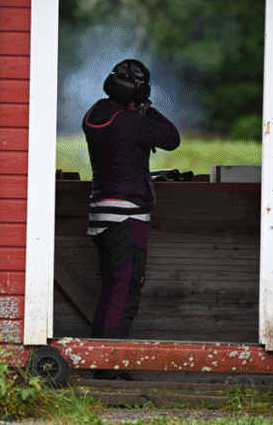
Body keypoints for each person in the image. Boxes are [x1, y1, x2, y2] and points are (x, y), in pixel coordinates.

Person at [82, 59, 180, 380]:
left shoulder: (95, 114)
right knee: (125, 296)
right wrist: (147, 108)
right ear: (140, 92)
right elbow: (171, 138)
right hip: (128, 218)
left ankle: (103, 364)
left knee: (111, 291)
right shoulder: (131, 121)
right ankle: (110, 372)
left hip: (101, 215)